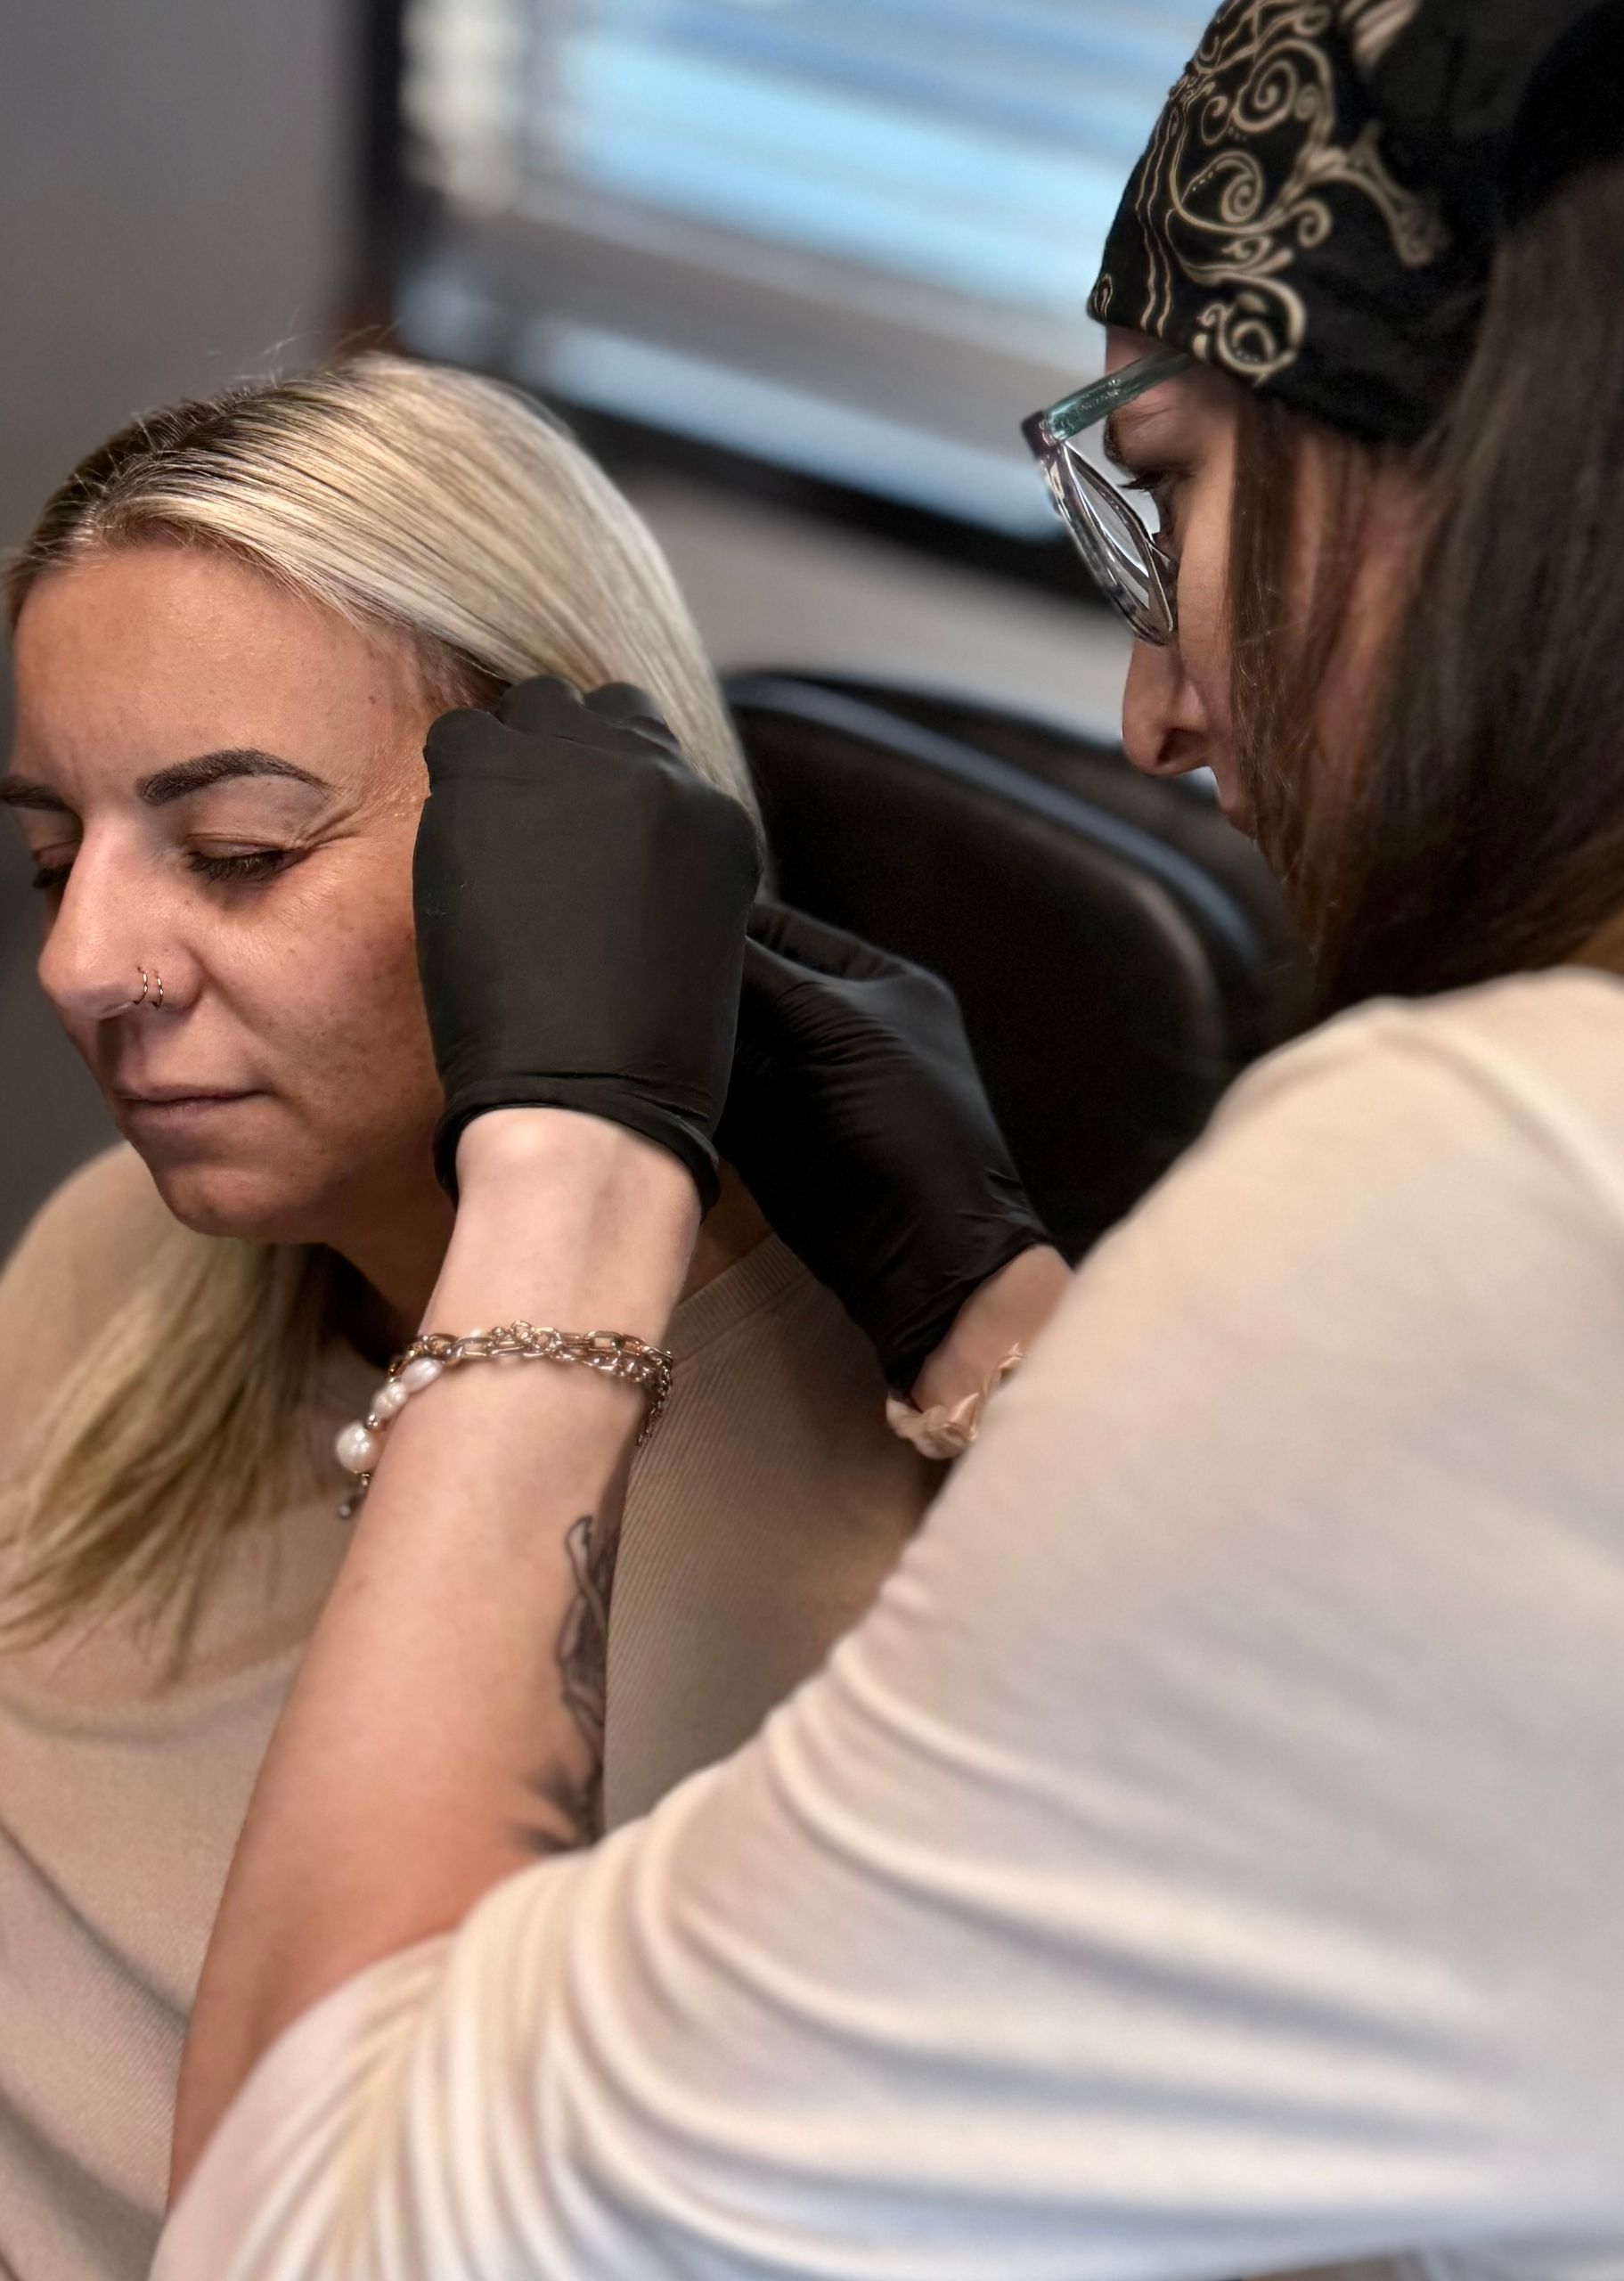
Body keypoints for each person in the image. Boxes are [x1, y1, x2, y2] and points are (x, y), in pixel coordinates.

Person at [159, 0, 1624, 2273]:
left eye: (1170, 488)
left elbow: (323, 2227)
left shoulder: (1516, 1202)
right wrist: (1006, 1306)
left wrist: (571, 1187)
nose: (1162, 711)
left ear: (1490, 459)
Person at [0, 356, 1010, 2280]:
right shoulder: (110, 1267)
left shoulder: (868, 1567)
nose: (82, 962)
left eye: (236, 853)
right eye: (54, 851)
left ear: (574, 863)